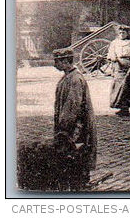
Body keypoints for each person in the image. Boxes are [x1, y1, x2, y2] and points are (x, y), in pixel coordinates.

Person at [52, 47, 97, 190]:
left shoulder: (75, 79)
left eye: (57, 61)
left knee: (77, 152)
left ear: (65, 61)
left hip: (77, 126)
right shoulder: (67, 77)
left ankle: (80, 183)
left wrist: (64, 128)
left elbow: (72, 107)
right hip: (71, 125)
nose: (55, 65)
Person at [107, 24, 130, 115]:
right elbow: (111, 53)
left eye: (124, 32)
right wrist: (114, 58)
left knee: (127, 86)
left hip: (127, 65)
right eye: (120, 33)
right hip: (117, 66)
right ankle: (119, 106)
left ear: (127, 33)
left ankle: (125, 107)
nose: (122, 34)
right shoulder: (114, 42)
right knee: (118, 86)